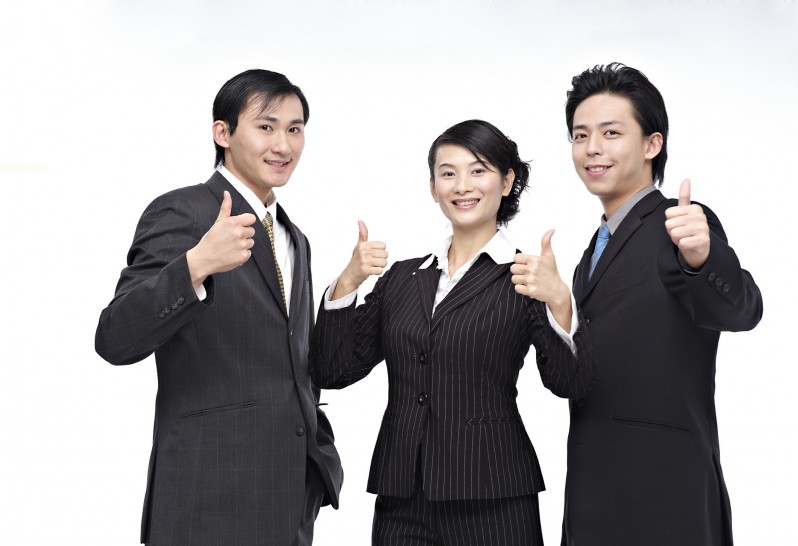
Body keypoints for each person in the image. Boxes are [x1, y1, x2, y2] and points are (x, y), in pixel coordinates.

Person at [309, 119, 595, 545]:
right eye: (448, 173)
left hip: (493, 494)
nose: (462, 186)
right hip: (402, 497)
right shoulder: (401, 278)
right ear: (433, 187)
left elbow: (570, 383)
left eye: (478, 170)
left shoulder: (525, 277)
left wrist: (559, 300)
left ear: (506, 181)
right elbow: (332, 371)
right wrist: (347, 282)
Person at [95, 69, 342, 546]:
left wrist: (318, 453)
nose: (284, 145)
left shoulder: (295, 238)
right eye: (266, 127)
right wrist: (195, 266)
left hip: (291, 497)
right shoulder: (183, 211)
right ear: (223, 133)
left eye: (295, 129)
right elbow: (114, 338)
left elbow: (293, 360)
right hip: (208, 498)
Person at [561, 62, 763, 545]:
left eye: (611, 133)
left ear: (652, 144)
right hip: (595, 495)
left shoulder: (680, 224)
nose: (592, 148)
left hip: (665, 496)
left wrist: (702, 259)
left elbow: (741, 311)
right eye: (580, 135)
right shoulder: (591, 252)